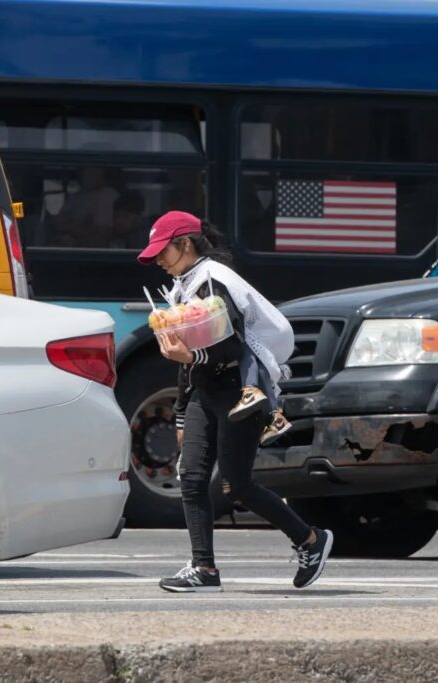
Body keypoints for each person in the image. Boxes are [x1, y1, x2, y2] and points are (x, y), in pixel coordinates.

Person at [137, 210, 333, 592]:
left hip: (240, 392)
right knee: (191, 478)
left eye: (164, 250)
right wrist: (180, 416)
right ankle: (204, 570)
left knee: (237, 486)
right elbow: (188, 359)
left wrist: (190, 358)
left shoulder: (214, 283)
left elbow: (230, 347)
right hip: (203, 393)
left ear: (186, 244)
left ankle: (311, 539)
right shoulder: (185, 286)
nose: (159, 260)